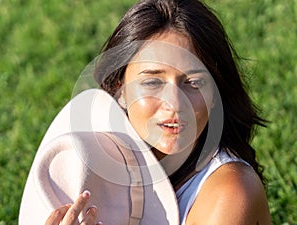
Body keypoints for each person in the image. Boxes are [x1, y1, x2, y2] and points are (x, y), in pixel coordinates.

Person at [45, 0, 271, 224]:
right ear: (119, 90)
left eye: (193, 82)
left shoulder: (231, 192)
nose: (174, 103)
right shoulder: (90, 171)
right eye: (153, 82)